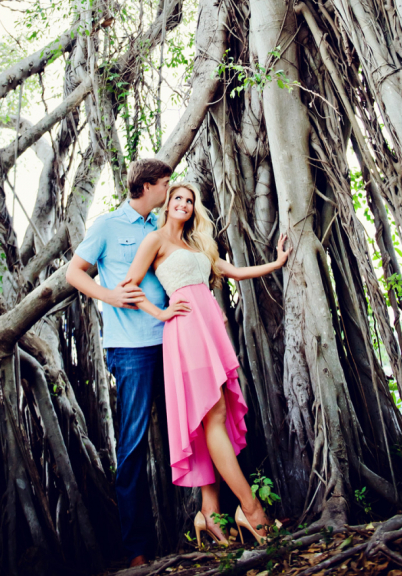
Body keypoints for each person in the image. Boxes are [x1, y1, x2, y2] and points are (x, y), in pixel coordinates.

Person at [122, 181, 289, 548]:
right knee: (212, 416)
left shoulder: (196, 244)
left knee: (213, 417)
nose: (183, 203)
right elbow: (129, 287)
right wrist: (162, 312)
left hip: (209, 328)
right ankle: (251, 509)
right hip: (185, 333)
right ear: (166, 205)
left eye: (189, 200)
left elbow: (231, 271)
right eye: (177, 198)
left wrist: (276, 263)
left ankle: (208, 512)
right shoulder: (155, 241)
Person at [66, 158, 173, 568]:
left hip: (171, 341)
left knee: (191, 428)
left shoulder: (161, 227)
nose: (168, 189)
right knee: (132, 446)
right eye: (164, 184)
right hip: (130, 349)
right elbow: (75, 272)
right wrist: (110, 296)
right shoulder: (107, 226)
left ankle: (209, 517)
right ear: (146, 186)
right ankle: (137, 550)